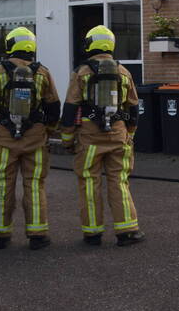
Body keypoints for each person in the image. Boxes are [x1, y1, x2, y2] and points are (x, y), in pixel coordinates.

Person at [59, 25, 144, 247]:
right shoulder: (124, 72)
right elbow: (133, 108)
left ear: (90, 44)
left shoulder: (81, 72)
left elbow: (70, 108)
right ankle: (127, 231)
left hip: (90, 138)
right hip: (118, 135)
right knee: (119, 181)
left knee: (89, 182)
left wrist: (67, 139)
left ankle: (92, 233)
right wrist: (129, 134)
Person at [0, 27, 60, 250]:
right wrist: (47, 130)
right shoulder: (42, 72)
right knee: (34, 185)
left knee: (3, 185)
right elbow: (54, 106)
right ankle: (37, 235)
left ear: (11, 44)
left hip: (6, 139)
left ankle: (1, 235)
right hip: (35, 138)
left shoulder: (0, 71)